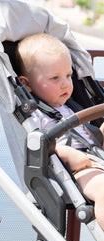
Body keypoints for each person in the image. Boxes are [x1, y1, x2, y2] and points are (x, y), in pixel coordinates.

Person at [16, 33, 104, 230]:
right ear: (27, 84)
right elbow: (39, 145)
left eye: (68, 75)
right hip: (75, 170)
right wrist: (66, 154)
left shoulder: (69, 106)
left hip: (94, 155)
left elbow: (91, 137)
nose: (65, 83)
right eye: (55, 78)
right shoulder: (35, 115)